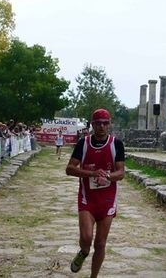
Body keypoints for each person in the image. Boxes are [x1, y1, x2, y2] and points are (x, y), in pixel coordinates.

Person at [65, 108, 125, 277]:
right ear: (92, 124)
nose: (101, 127)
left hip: (107, 200)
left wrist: (107, 176)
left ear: (109, 125)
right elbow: (69, 169)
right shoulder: (83, 143)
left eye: (105, 123)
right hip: (87, 198)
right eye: (98, 123)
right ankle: (83, 252)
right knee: (86, 237)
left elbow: (120, 173)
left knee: (100, 243)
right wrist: (91, 174)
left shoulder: (116, 144)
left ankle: (93, 276)